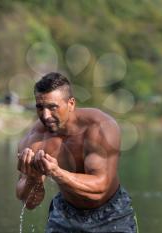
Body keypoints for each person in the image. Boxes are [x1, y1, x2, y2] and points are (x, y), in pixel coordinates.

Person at [16, 72, 138, 233]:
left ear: (71, 103)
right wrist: (34, 178)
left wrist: (57, 173)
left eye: (52, 107)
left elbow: (101, 187)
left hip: (110, 213)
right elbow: (29, 203)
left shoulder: (99, 127)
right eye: (40, 107)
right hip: (65, 212)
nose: (45, 115)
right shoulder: (35, 139)